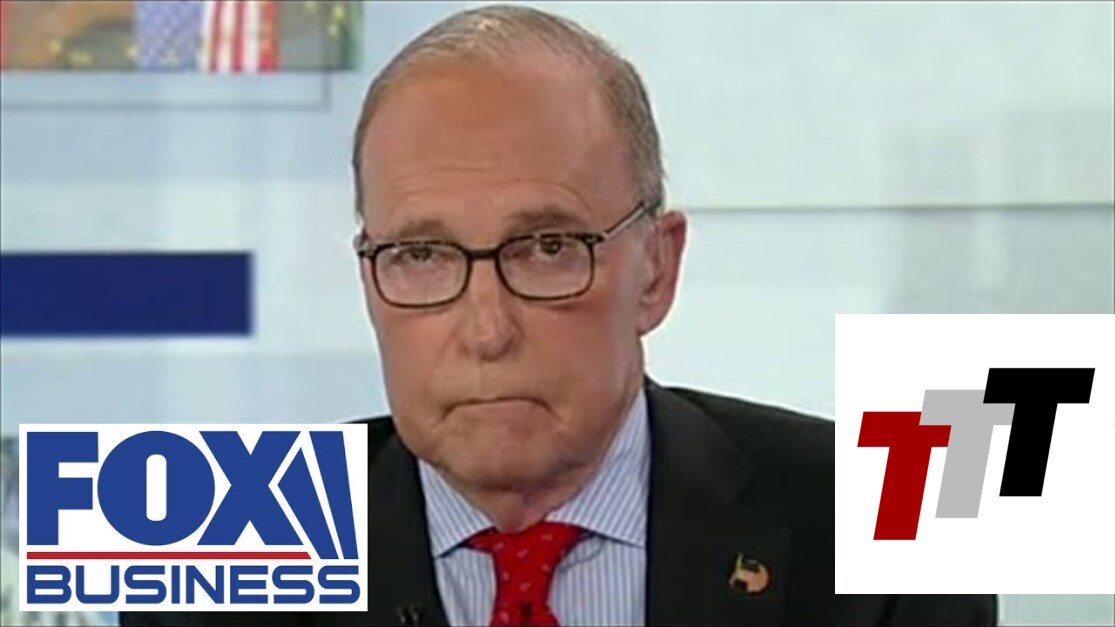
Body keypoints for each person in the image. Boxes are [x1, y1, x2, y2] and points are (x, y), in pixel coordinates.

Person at [124, 5, 996, 626]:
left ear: (654, 269)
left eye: (545, 248)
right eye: (422, 255)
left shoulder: (891, 526)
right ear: (368, 279)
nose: (486, 328)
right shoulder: (206, 553)